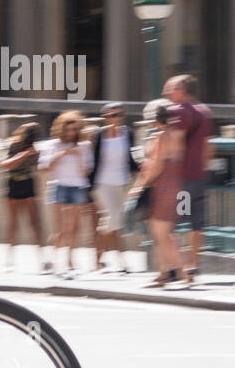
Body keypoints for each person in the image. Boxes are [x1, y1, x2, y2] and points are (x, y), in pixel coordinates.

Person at [161, 74, 215, 279]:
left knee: (171, 223)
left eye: (171, 88)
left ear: (182, 90)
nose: (166, 93)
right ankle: (193, 265)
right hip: (199, 178)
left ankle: (177, 267)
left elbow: (174, 145)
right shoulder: (205, 111)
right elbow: (209, 146)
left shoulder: (178, 111)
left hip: (181, 180)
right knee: (196, 224)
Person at [132, 100, 188, 288]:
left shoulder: (163, 136)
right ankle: (164, 273)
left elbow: (157, 166)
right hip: (176, 185)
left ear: (154, 119)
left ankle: (181, 272)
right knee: (164, 232)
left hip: (163, 186)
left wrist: (140, 186)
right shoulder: (177, 134)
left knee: (161, 232)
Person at [37, 111, 93, 277]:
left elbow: (87, 170)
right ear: (61, 129)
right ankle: (54, 260)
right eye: (68, 129)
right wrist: (63, 154)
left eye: (75, 129)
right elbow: (43, 168)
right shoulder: (52, 145)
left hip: (77, 186)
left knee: (73, 228)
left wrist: (80, 157)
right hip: (59, 186)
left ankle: (68, 260)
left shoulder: (84, 146)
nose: (71, 133)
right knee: (62, 228)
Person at [89, 102, 138, 273]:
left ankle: (102, 261)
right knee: (111, 219)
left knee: (115, 224)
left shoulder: (128, 134)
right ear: (104, 117)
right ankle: (109, 260)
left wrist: (141, 174)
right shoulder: (99, 136)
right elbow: (92, 160)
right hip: (102, 183)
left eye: (117, 115)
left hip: (122, 182)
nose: (114, 119)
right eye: (110, 115)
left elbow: (131, 159)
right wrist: (88, 185)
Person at [0, 122, 47, 272]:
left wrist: (39, 157)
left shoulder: (33, 148)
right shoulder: (10, 145)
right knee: (13, 224)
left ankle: (41, 258)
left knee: (35, 223)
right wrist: (25, 154)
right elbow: (4, 165)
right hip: (13, 183)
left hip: (28, 182)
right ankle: (9, 260)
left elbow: (39, 168)